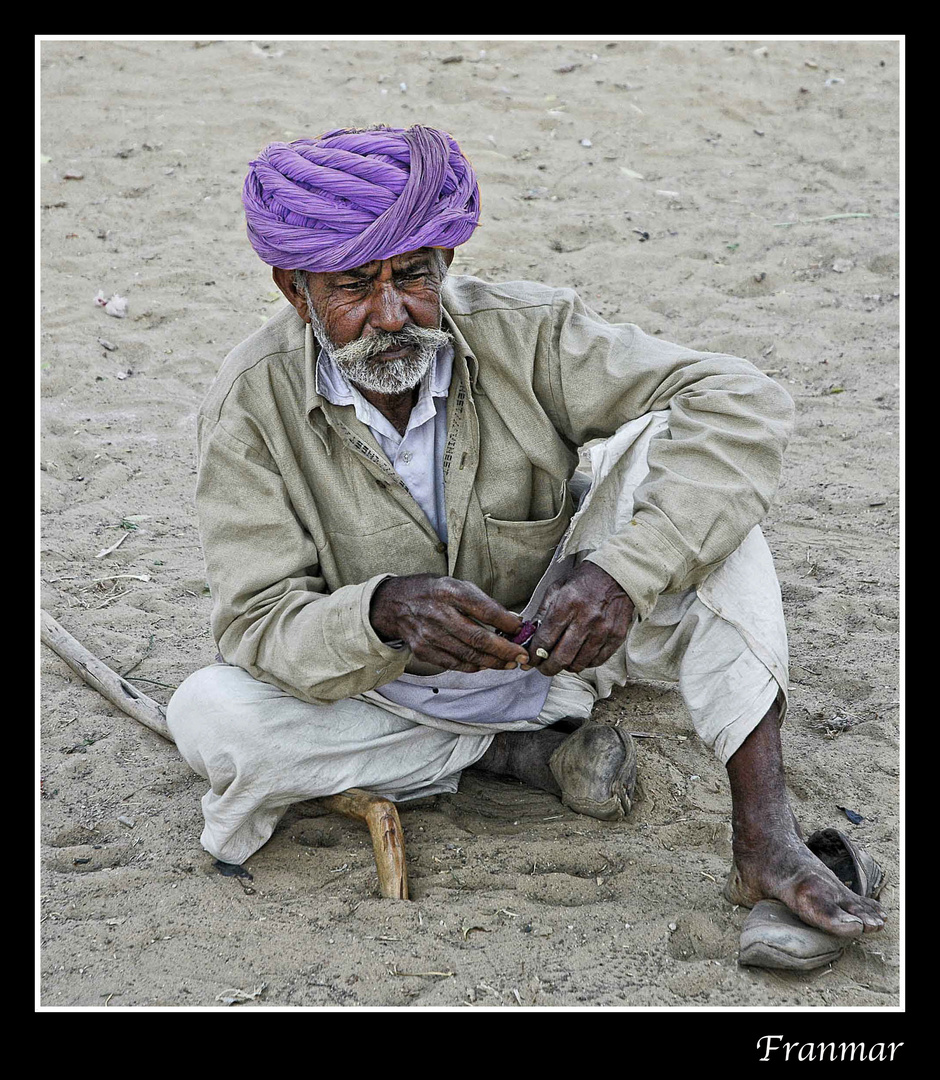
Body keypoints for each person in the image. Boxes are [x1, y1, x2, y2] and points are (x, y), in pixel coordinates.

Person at [166, 124, 885, 944]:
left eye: (414, 276)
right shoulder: (248, 407)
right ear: (295, 292)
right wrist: (379, 615)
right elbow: (258, 621)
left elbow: (741, 400)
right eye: (355, 287)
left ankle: (765, 835)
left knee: (700, 496)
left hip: (567, 646)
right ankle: (516, 755)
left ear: (445, 265)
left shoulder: (525, 330)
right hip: (383, 692)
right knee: (211, 715)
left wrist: (623, 572)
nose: (393, 314)